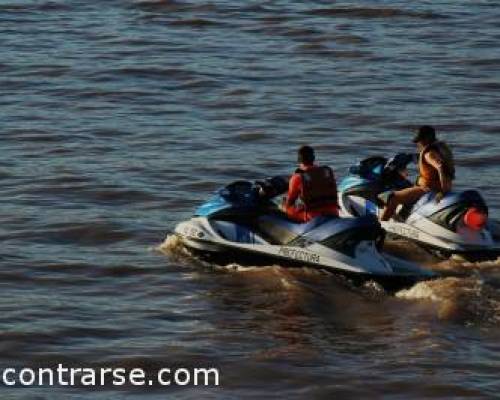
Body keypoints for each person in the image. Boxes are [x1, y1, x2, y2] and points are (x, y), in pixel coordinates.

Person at [380, 125, 455, 221]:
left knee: (392, 198)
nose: (418, 143)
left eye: (419, 140)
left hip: (428, 189)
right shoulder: (441, 149)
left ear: (426, 139)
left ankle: (380, 227)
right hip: (435, 187)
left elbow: (440, 167)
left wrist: (443, 192)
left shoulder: (429, 153)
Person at [283, 145, 339, 222]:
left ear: (299, 160)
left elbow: (290, 201)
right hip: (333, 212)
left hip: (312, 217)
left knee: (285, 208)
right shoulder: (327, 172)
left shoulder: (298, 177)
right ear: (314, 158)